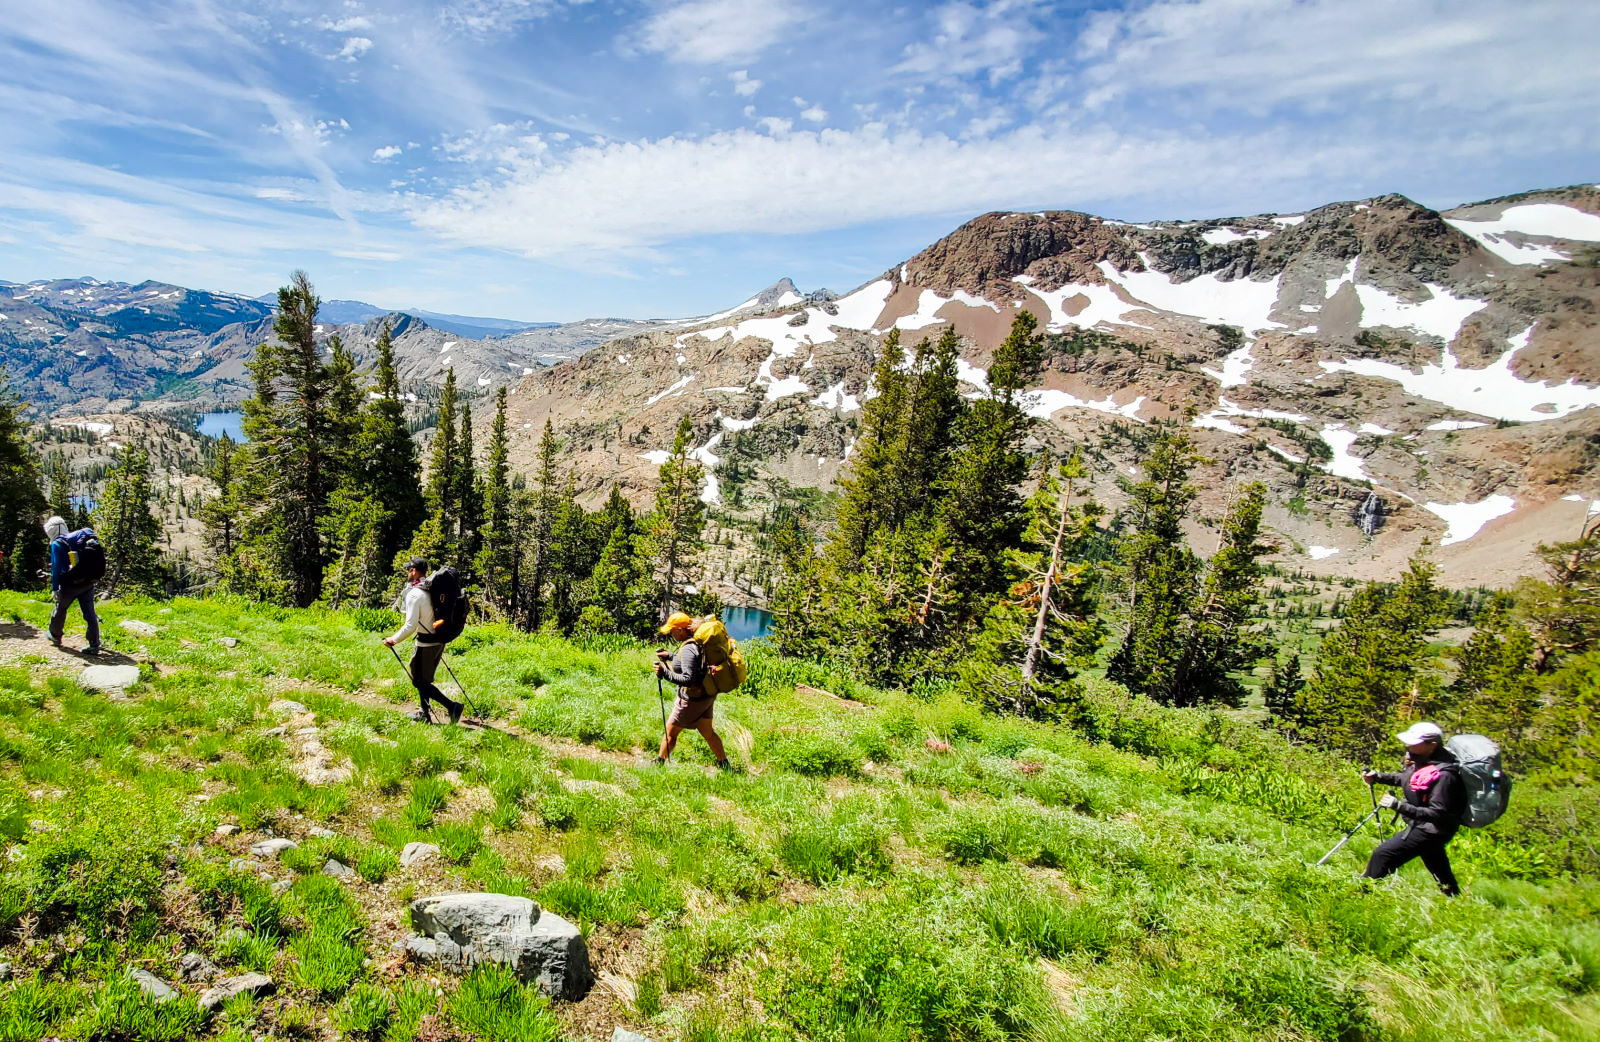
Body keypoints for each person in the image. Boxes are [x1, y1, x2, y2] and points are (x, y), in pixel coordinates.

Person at [1362, 721, 1466, 896]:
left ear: (1432, 744)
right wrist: (1378, 777)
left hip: (1431, 830)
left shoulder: (1445, 776)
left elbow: (1438, 813)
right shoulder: (1423, 762)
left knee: (1383, 854)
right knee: (1437, 866)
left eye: (1414, 742)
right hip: (1425, 827)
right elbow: (1405, 778)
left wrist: (1399, 806)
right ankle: (1455, 899)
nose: (1408, 745)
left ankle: (1362, 893)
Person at [383, 558, 464, 725]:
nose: (407, 573)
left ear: (414, 571)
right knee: (422, 679)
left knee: (418, 681)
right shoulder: (430, 589)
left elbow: (410, 625)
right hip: (438, 639)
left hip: (426, 643)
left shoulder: (415, 593)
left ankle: (452, 706)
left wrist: (393, 639)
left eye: (408, 570)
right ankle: (424, 713)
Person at [654, 611, 730, 770]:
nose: (670, 633)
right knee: (708, 732)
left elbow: (690, 679)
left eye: (672, 630)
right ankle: (724, 764)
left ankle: (658, 764)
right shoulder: (696, 642)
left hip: (692, 699)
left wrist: (664, 673)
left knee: (671, 732)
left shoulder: (689, 648)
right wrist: (670, 656)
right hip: (706, 696)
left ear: (680, 630)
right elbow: (693, 664)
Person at [45, 515, 100, 656]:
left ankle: (55, 635)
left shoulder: (57, 544)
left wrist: (55, 588)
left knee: (61, 608)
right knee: (89, 613)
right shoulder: (80, 539)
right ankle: (94, 644)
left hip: (70, 584)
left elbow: (56, 568)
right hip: (88, 581)